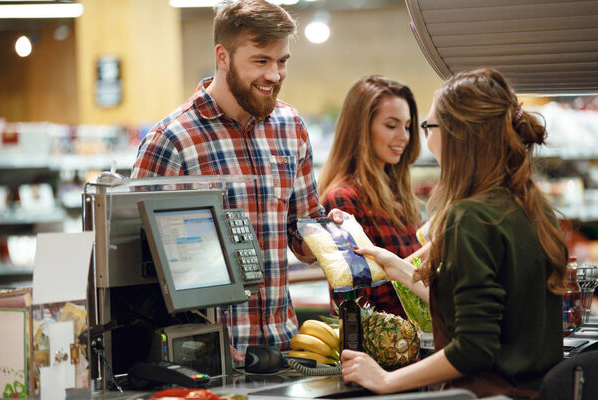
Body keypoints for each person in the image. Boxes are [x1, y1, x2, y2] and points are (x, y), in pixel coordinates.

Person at [131, 0, 343, 359]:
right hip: (206, 357)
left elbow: (301, 229)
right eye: (260, 61)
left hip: (285, 350)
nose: (274, 75)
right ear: (223, 56)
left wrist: (331, 236)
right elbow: (137, 269)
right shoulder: (172, 140)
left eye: (282, 62)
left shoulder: (291, 127)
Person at [341, 68, 568, 398]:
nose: (421, 137)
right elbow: (488, 315)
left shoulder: (470, 217)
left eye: (428, 126)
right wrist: (396, 267)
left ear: (456, 135)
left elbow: (474, 348)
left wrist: (387, 380)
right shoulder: (533, 207)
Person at [317, 75, 423, 316]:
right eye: (391, 125)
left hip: (413, 345)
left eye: (407, 126)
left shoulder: (399, 193)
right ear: (361, 129)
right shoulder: (343, 199)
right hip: (378, 349)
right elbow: (358, 298)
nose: (404, 137)